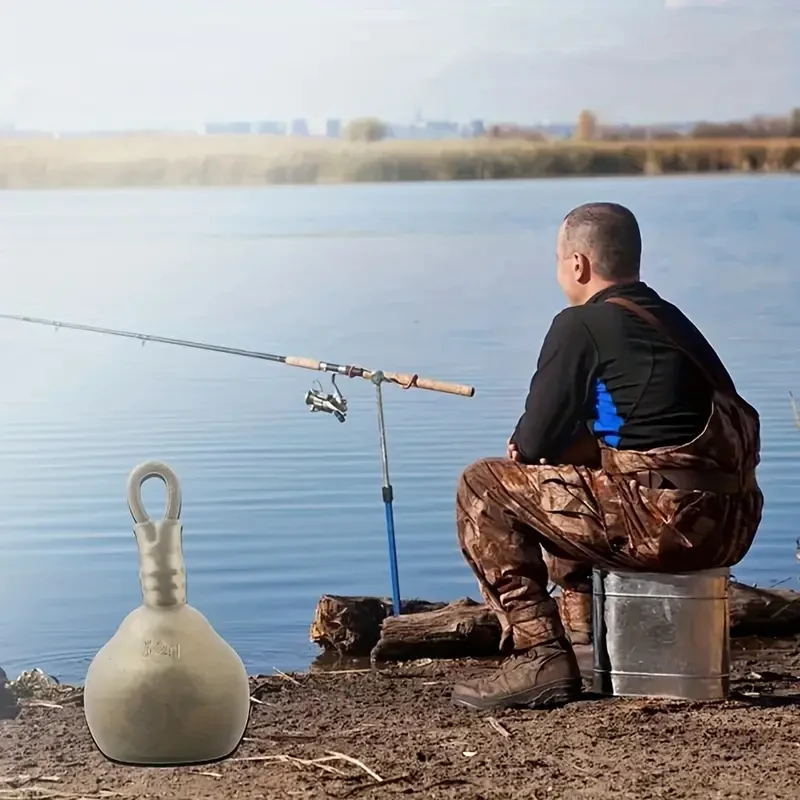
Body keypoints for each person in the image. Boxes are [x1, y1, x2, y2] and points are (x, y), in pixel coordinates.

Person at [451, 202, 763, 711]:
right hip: (731, 523)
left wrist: (531, 450)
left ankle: (539, 654)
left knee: (483, 485)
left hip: (667, 525)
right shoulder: (671, 321)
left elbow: (534, 441)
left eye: (558, 259)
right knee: (571, 473)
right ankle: (586, 640)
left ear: (578, 264)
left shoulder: (581, 324)